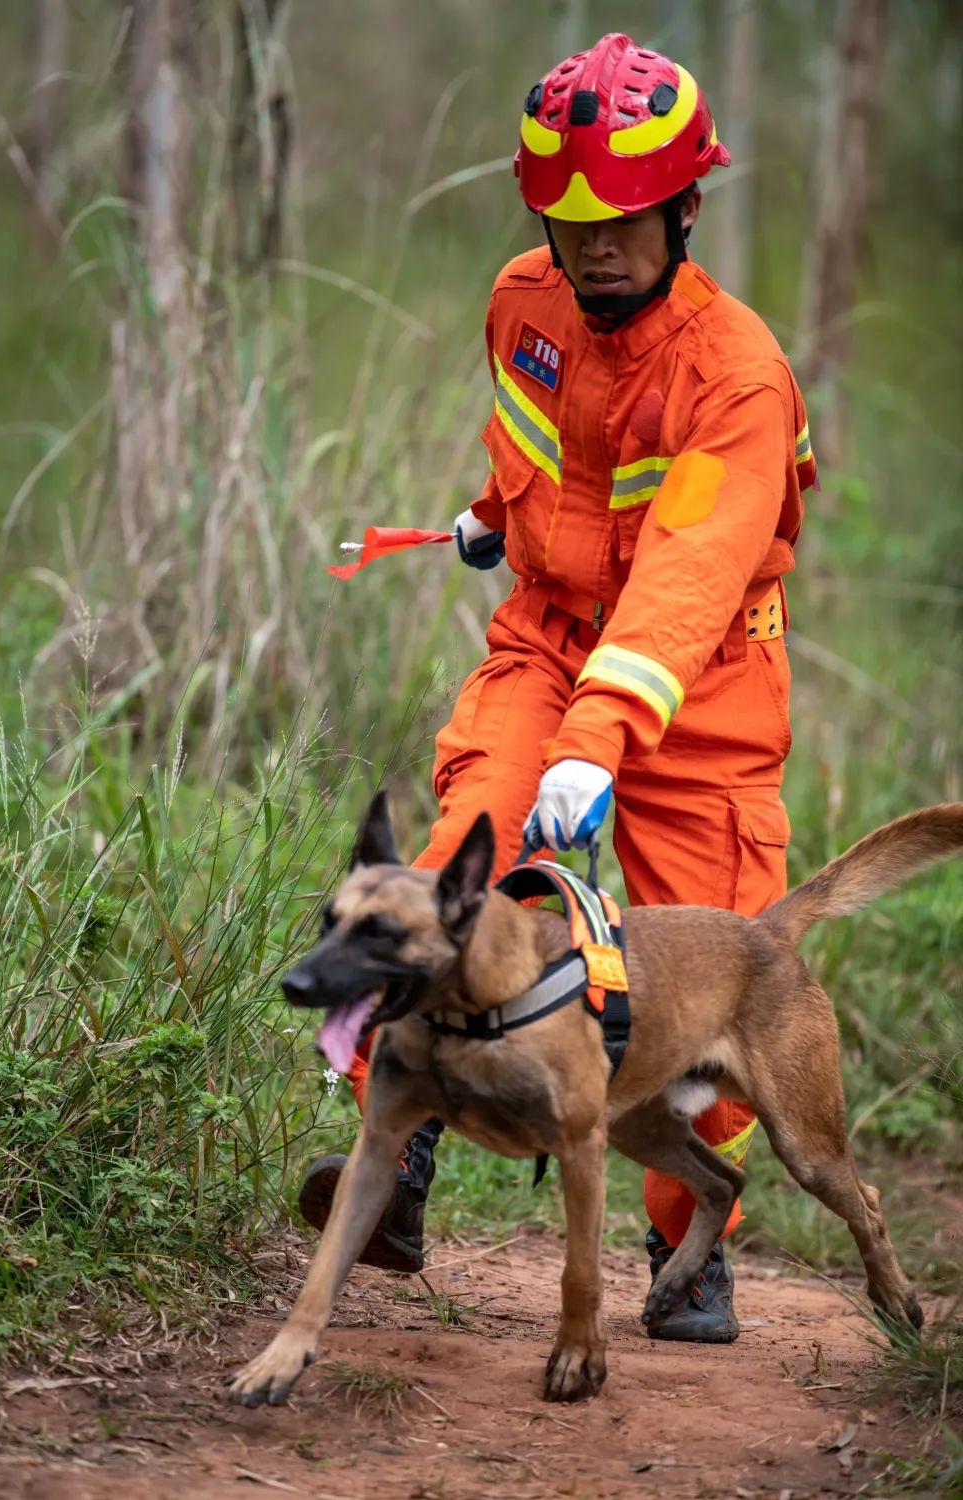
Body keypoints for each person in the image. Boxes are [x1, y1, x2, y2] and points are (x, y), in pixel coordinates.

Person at [299, 32, 817, 1342]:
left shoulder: (737, 373)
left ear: (684, 209)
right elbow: (549, 459)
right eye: (570, 218)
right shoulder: (520, 300)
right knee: (453, 867)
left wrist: (607, 728)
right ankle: (402, 1153)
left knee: (723, 960)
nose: (595, 248)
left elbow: (689, 572)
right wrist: (494, 520)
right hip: (546, 640)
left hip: (694, 686)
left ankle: (688, 1245)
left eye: (625, 222)